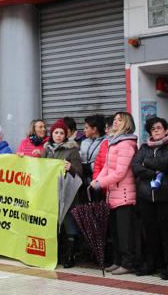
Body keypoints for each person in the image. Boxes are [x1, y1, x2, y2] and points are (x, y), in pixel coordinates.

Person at [131, 116, 168, 279]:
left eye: (159, 128)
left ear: (165, 130)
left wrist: (148, 162)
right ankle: (150, 264)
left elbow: (165, 164)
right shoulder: (144, 147)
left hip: (166, 197)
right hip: (146, 196)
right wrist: (154, 172)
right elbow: (136, 166)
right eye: (153, 129)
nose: (156, 131)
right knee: (150, 232)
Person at [91, 111, 138, 275]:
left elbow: (120, 172)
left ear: (126, 124)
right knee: (115, 232)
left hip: (124, 194)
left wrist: (100, 183)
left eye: (120, 120)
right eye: (115, 120)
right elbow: (107, 167)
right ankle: (117, 260)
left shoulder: (126, 143)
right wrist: (97, 179)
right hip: (113, 194)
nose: (115, 122)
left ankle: (128, 262)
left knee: (125, 233)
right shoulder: (114, 142)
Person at [43, 119, 82, 268]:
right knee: (52, 225)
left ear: (66, 135)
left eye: (61, 133)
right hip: (50, 193)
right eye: (56, 132)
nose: (58, 135)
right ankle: (56, 254)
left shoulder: (72, 150)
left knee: (68, 222)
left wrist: (71, 167)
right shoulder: (47, 150)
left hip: (67, 193)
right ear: (51, 134)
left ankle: (70, 256)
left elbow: (79, 173)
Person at [80, 114, 107, 182]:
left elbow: (104, 162)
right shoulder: (84, 142)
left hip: (98, 179)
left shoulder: (106, 142)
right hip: (83, 179)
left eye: (86, 128)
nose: (84, 130)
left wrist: (89, 167)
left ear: (94, 129)